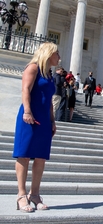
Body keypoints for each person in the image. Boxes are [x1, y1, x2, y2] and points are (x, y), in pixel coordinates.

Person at [13, 42, 59, 212]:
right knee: (24, 155)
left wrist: (52, 121)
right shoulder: (33, 68)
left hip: (44, 119)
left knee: (40, 157)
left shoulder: (49, 74)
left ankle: (35, 194)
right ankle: (21, 195)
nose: (59, 57)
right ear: (48, 53)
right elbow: (25, 90)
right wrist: (27, 111)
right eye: (57, 53)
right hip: (29, 115)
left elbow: (49, 102)